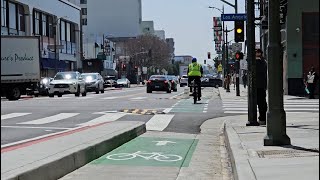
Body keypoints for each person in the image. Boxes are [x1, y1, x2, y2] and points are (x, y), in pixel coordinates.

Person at [256, 49, 268, 125]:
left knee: (261, 103)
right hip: (261, 85)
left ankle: (262, 118)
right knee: (262, 102)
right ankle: (263, 118)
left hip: (259, 85)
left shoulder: (259, 62)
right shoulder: (264, 61)